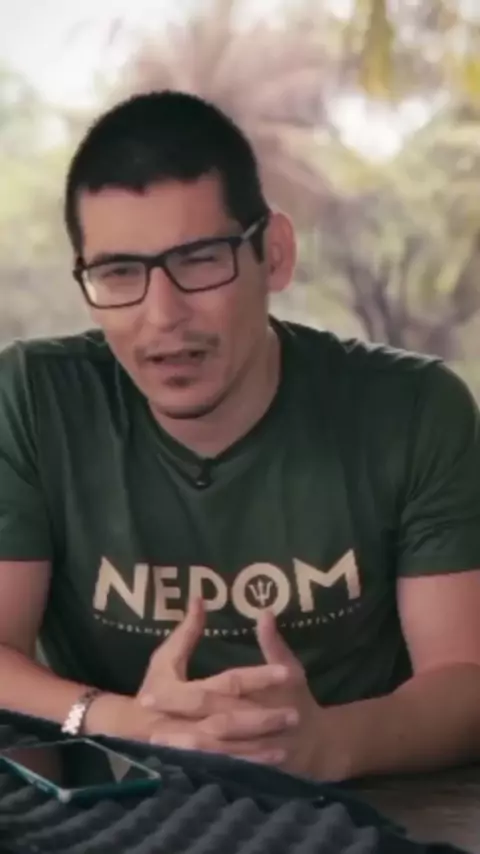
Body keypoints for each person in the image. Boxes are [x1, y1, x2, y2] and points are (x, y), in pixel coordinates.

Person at [1, 90, 480, 784]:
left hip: (367, 806)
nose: (162, 315)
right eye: (119, 272)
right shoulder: (33, 399)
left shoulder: (415, 409)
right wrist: (134, 722)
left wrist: (324, 744)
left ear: (274, 255)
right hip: (113, 809)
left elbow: (464, 679)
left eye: (199, 260)